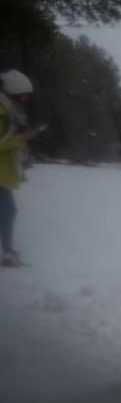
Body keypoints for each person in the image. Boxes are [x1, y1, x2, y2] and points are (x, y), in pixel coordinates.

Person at [0, 70, 41, 267]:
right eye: (24, 94)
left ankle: (8, 252)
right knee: (8, 210)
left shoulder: (9, 110)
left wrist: (22, 135)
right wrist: (22, 138)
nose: (26, 98)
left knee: (8, 210)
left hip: (2, 173)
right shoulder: (1, 110)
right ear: (15, 92)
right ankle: (7, 253)